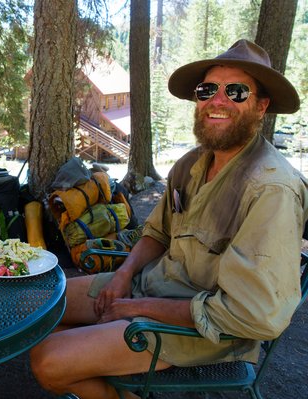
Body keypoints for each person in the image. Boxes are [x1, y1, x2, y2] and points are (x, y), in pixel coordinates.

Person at [30, 39, 308, 399]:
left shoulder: (271, 189)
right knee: (44, 308)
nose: (217, 101)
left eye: (236, 92)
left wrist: (135, 308)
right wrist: (124, 276)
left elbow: (249, 315)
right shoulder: (192, 163)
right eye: (208, 89)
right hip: (152, 286)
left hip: (205, 332)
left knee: (46, 361)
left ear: (261, 106)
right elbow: (158, 232)